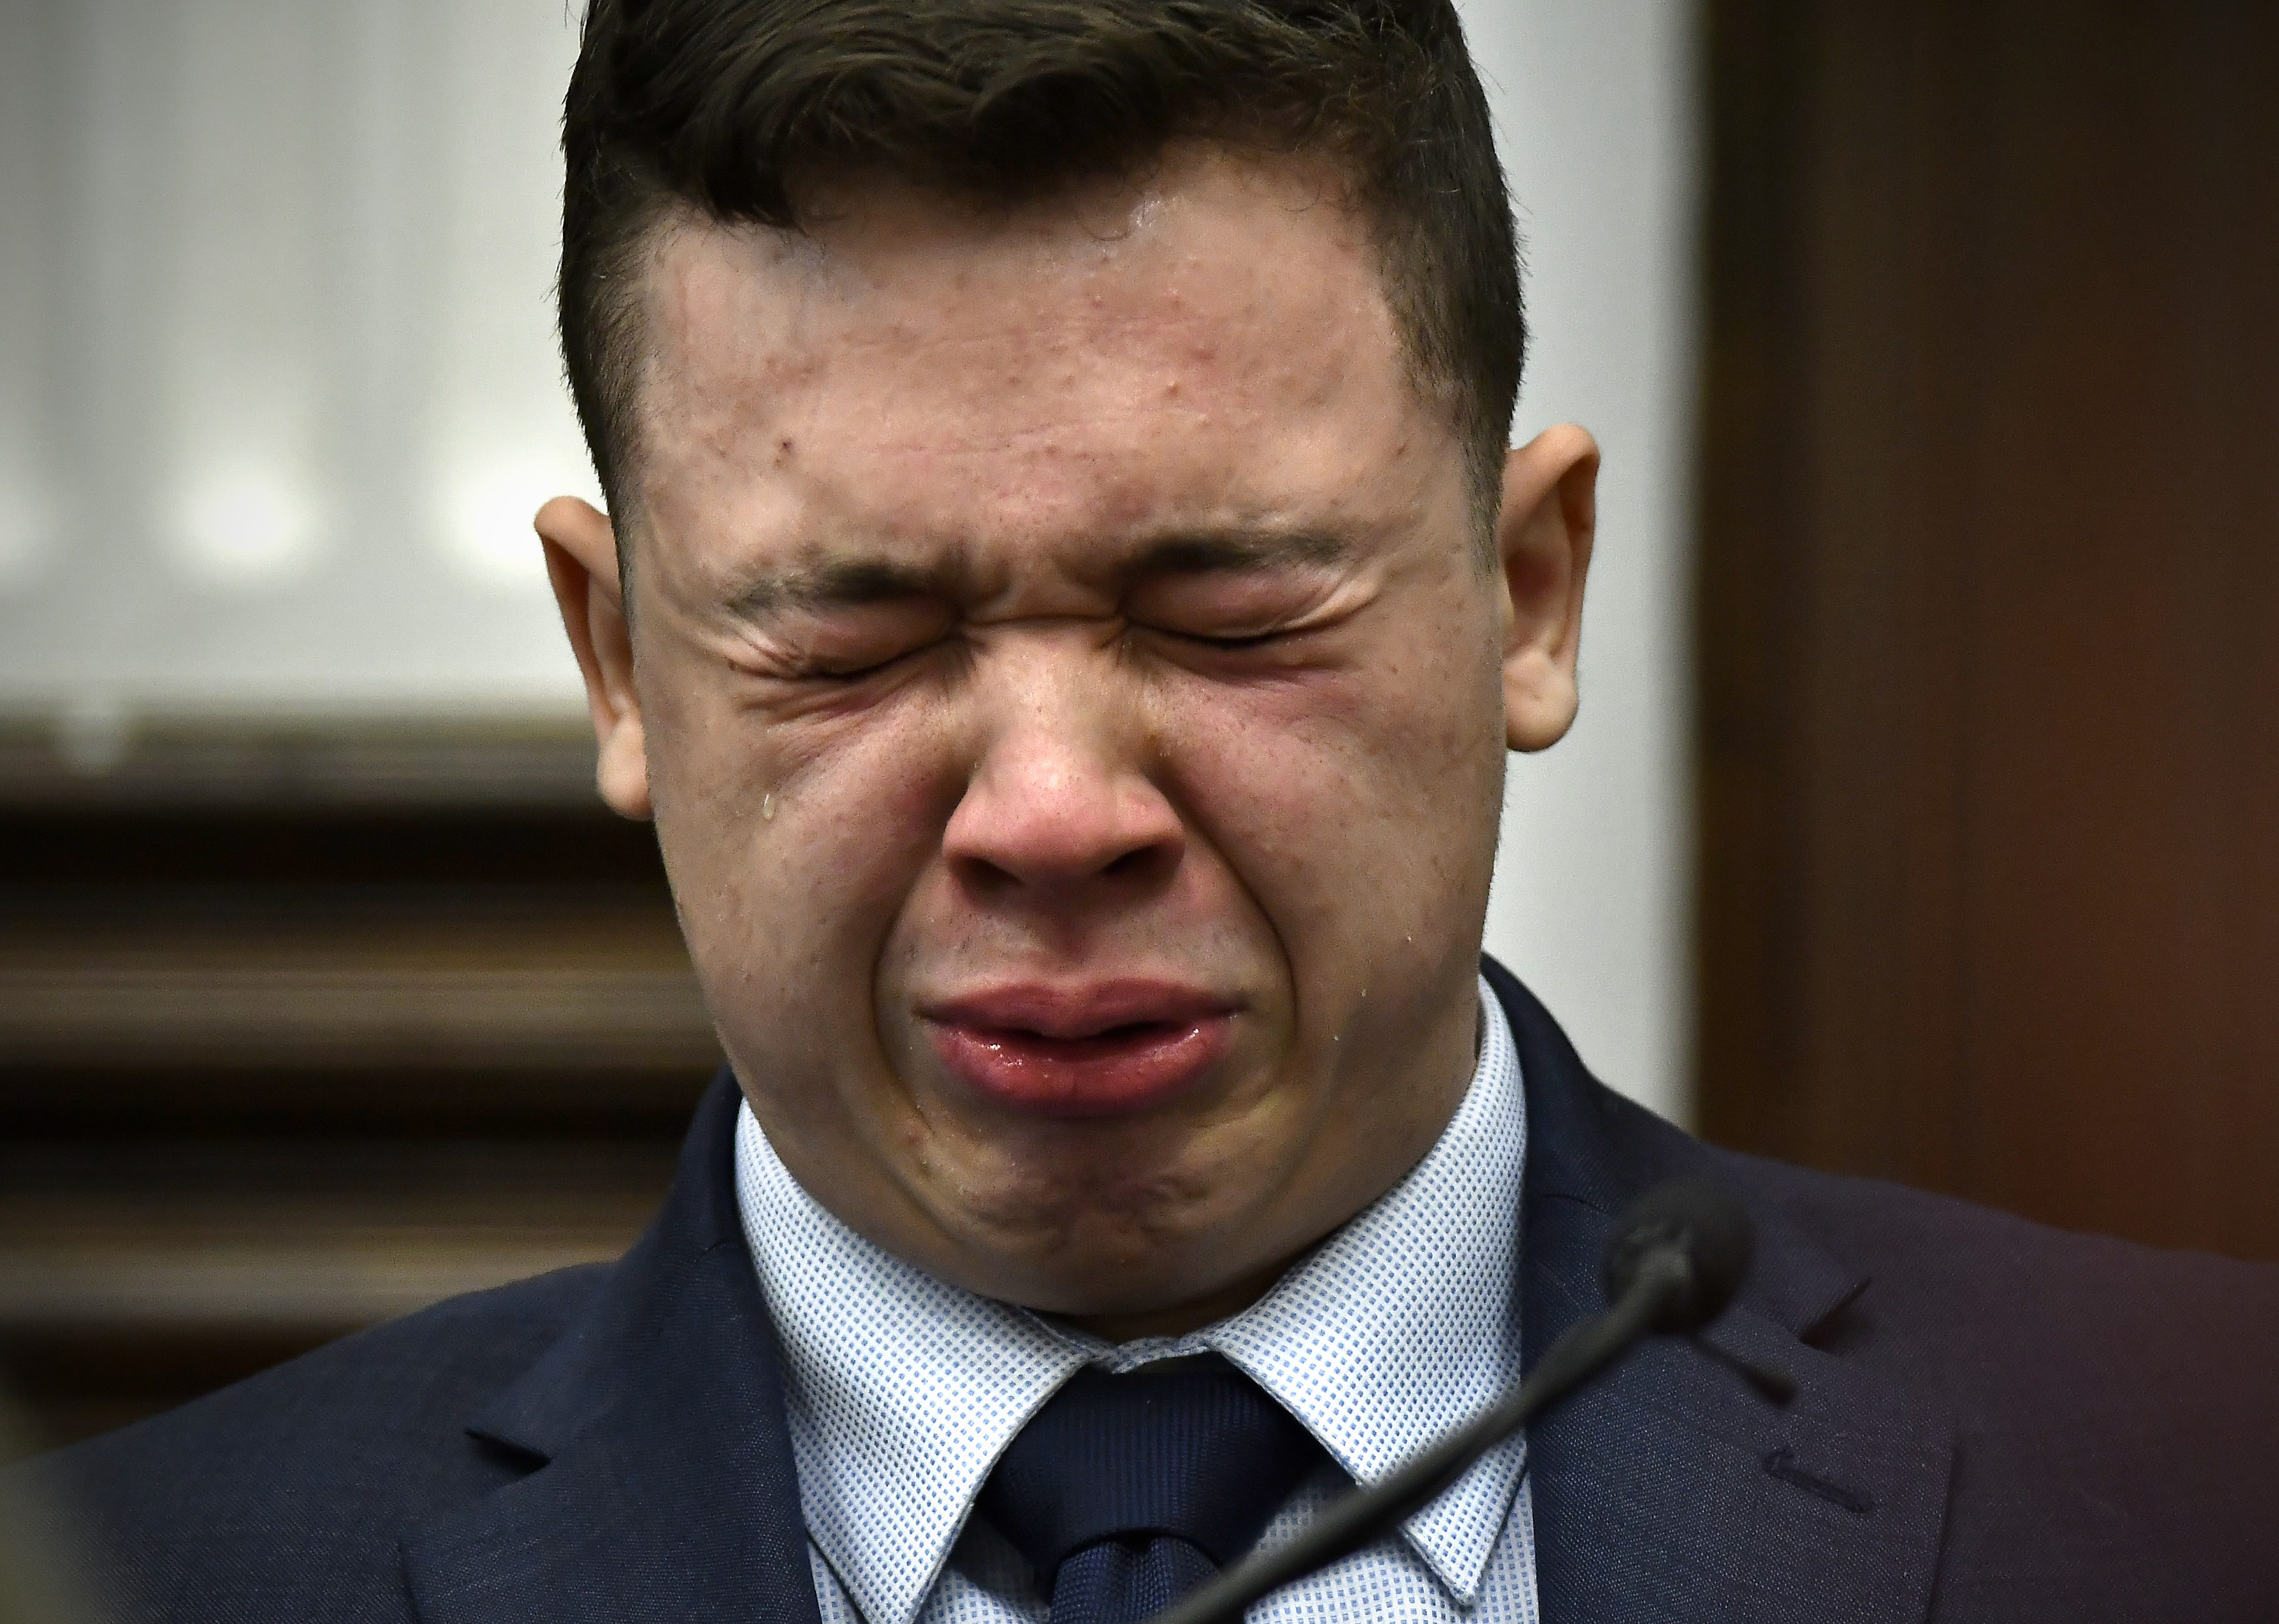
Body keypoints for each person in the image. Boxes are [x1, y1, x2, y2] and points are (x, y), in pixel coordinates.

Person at [19, 2, 2279, 1620]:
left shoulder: (2199, 1490)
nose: (1048, 809)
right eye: (856, 636)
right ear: (620, 662)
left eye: (1221, 609)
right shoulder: (157, 1576)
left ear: (1523, 590)